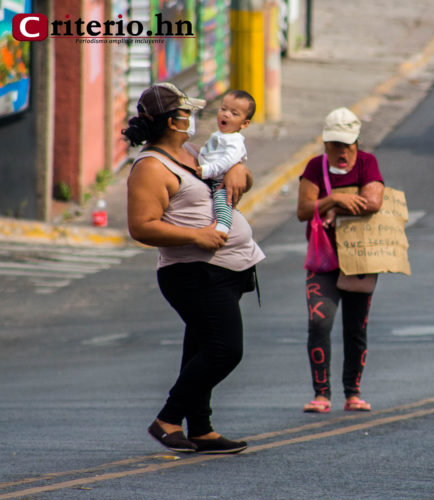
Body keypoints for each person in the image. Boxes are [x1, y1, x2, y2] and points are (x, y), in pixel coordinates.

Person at [123, 82, 265, 454]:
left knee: (201, 347)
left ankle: (200, 427)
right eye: (186, 113)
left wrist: (240, 171)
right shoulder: (151, 167)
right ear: (172, 121)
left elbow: (230, 181)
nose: (193, 118)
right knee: (224, 350)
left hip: (224, 269)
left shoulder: (191, 151)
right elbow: (141, 226)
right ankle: (168, 419)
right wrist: (196, 237)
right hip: (193, 273)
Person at [296, 107, 385, 413]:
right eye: (335, 145)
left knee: (355, 328)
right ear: (325, 144)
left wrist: (334, 209)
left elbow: (374, 201)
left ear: (357, 142)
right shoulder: (315, 167)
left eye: (347, 145)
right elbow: (303, 210)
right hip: (323, 260)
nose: (342, 152)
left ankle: (352, 393)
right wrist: (333, 199)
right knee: (319, 323)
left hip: (359, 259)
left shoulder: (367, 163)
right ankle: (321, 395)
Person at [197, 90, 256, 234]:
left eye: (234, 113)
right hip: (211, 177)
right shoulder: (219, 135)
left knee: (222, 205)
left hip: (221, 181)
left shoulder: (235, 142)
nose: (226, 114)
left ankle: (222, 229)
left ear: (245, 123)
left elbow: (227, 161)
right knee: (222, 207)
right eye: (223, 109)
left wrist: (208, 170)